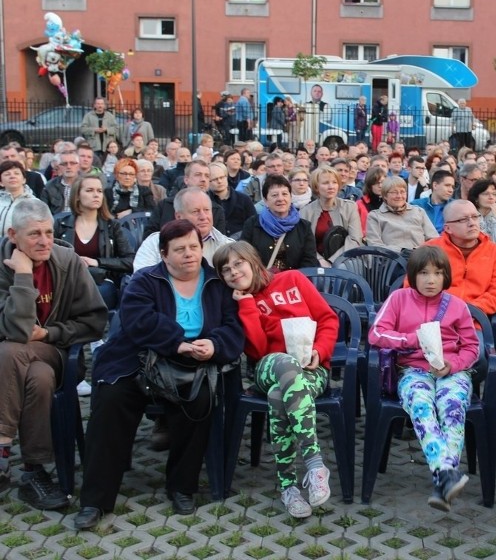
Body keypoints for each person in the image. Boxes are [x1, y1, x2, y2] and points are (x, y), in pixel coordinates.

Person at [73, 220, 244, 529]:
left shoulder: (217, 284)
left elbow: (233, 326)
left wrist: (214, 345)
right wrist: (177, 342)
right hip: (138, 359)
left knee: (201, 399)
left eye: (194, 247)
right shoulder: (144, 280)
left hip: (194, 362)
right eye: (180, 250)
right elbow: (138, 321)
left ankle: (181, 486)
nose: (189, 254)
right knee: (111, 398)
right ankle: (95, 500)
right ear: (164, 254)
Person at [213, 242, 337, 518]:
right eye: (226, 270)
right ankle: (315, 464)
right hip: (268, 368)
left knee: (278, 398)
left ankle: (288, 487)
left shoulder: (292, 280)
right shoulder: (236, 303)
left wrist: (320, 351)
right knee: (284, 362)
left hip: (311, 368)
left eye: (238, 264)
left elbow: (327, 319)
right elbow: (256, 349)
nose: (233, 272)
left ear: (254, 261)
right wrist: (246, 304)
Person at [0, 198, 108, 509]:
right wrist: (22, 277)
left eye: (48, 232)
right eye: (34, 234)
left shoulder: (67, 261)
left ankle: (3, 447)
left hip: (60, 356)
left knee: (12, 352)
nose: (45, 241)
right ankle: (35, 472)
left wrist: (49, 334)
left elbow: (96, 321)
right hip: (17, 364)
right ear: (12, 235)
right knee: (37, 376)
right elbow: (19, 331)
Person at [368, 246, 480, 511]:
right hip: (413, 370)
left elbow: (472, 347)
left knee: (452, 406)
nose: (431, 280)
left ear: (446, 277)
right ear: (412, 276)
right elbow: (376, 334)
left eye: (438, 273)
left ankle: (444, 477)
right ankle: (446, 472)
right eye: (424, 273)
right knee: (421, 404)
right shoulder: (398, 299)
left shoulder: (456, 305)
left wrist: (454, 365)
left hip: (452, 371)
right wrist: (410, 339)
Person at [54, 175, 134, 309]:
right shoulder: (61, 224)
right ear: (77, 195)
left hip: (101, 280)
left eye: (99, 191)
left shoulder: (112, 226)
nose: (96, 195)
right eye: (90, 190)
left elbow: (130, 260)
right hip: (67, 279)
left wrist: (97, 262)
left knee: (98, 293)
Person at [421, 200, 496, 317]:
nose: (472, 223)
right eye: (463, 219)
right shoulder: (429, 249)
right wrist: (444, 312)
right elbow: (413, 287)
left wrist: (468, 310)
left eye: (475, 217)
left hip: (474, 318)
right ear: (447, 228)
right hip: (434, 317)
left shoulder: (494, 251)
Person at [241, 174, 318, 271]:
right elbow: (245, 257)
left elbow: (309, 261)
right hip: (262, 281)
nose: (280, 199)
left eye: (285, 194)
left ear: (291, 197)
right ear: (265, 201)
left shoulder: (303, 227)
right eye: (274, 195)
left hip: (294, 281)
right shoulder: (252, 224)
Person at [300, 166, 363, 266]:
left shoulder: (349, 207)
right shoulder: (305, 211)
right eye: (325, 183)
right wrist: (320, 260)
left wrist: (332, 261)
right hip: (315, 262)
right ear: (316, 187)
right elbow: (305, 244)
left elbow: (355, 239)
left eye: (334, 182)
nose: (331, 186)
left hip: (346, 260)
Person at [366, 176, 438, 253]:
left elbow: (434, 239)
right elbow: (375, 245)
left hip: (419, 259)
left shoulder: (418, 211)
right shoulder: (375, 216)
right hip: (390, 260)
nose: (399, 196)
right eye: (394, 192)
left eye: (402, 192)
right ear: (385, 196)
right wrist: (402, 251)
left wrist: (419, 251)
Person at [208, 162, 255, 237]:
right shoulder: (205, 202)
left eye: (222, 177)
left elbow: (253, 224)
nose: (219, 181)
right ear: (208, 181)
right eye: (214, 179)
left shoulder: (244, 199)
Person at [0, 160, 35, 233]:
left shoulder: (34, 203)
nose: (12, 176)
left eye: (16, 173)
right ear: (1, 182)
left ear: (24, 180)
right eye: (7, 174)